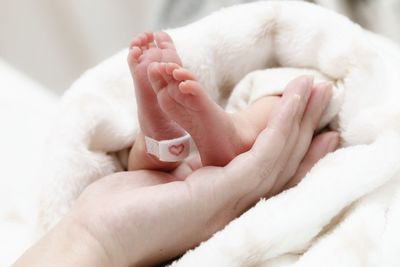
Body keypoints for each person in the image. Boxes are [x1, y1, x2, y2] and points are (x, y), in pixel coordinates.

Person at [13, 68, 338, 266]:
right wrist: (93, 238)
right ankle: (232, 130)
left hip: (139, 203)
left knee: (147, 172)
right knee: (286, 88)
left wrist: (93, 236)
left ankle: (159, 143)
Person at [126, 32, 333, 175]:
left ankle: (158, 147)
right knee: (288, 87)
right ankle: (241, 130)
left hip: (172, 175)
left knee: (142, 174)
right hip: (216, 131)